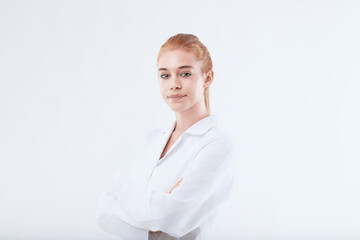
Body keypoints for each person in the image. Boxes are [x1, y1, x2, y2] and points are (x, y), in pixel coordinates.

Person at [96, 33, 235, 240]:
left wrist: (127, 203)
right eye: (165, 75)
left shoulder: (216, 145)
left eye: (185, 74)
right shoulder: (150, 141)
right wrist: (158, 210)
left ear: (208, 77)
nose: (174, 84)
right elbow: (104, 213)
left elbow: (170, 217)